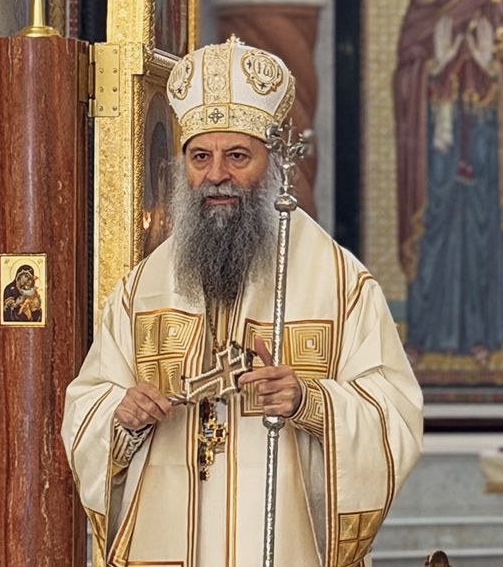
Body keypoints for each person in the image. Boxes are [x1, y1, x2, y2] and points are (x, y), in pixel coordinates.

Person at [62, 36, 423, 566]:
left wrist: (309, 402)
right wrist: (121, 417)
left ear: (272, 164)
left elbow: (395, 416)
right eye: (200, 157)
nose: (216, 175)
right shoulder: (142, 290)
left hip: (280, 544)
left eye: (237, 156)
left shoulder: (339, 283)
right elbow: (87, 405)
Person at [392, 0, 503, 365]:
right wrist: (435, 64)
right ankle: (425, 333)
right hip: (437, 136)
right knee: (437, 222)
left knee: (484, 225)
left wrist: (493, 65)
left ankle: (483, 334)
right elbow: (405, 69)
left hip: (487, 133)